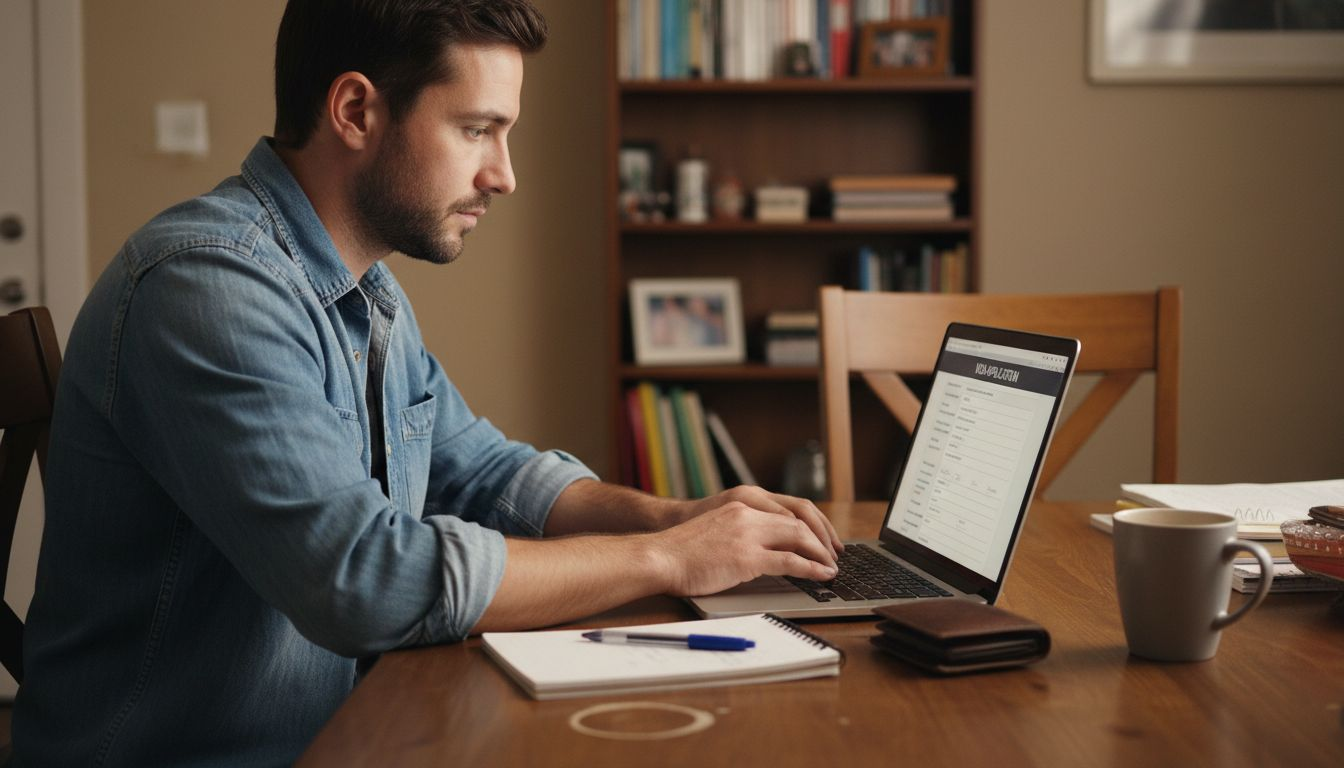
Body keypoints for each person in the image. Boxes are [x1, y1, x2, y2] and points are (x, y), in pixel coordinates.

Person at [11, 1, 841, 765]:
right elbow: (368, 581)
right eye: (478, 128)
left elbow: (482, 472)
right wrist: (667, 558)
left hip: (344, 735)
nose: (504, 174)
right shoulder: (206, 290)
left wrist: (683, 516)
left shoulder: (363, 290)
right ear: (356, 111)